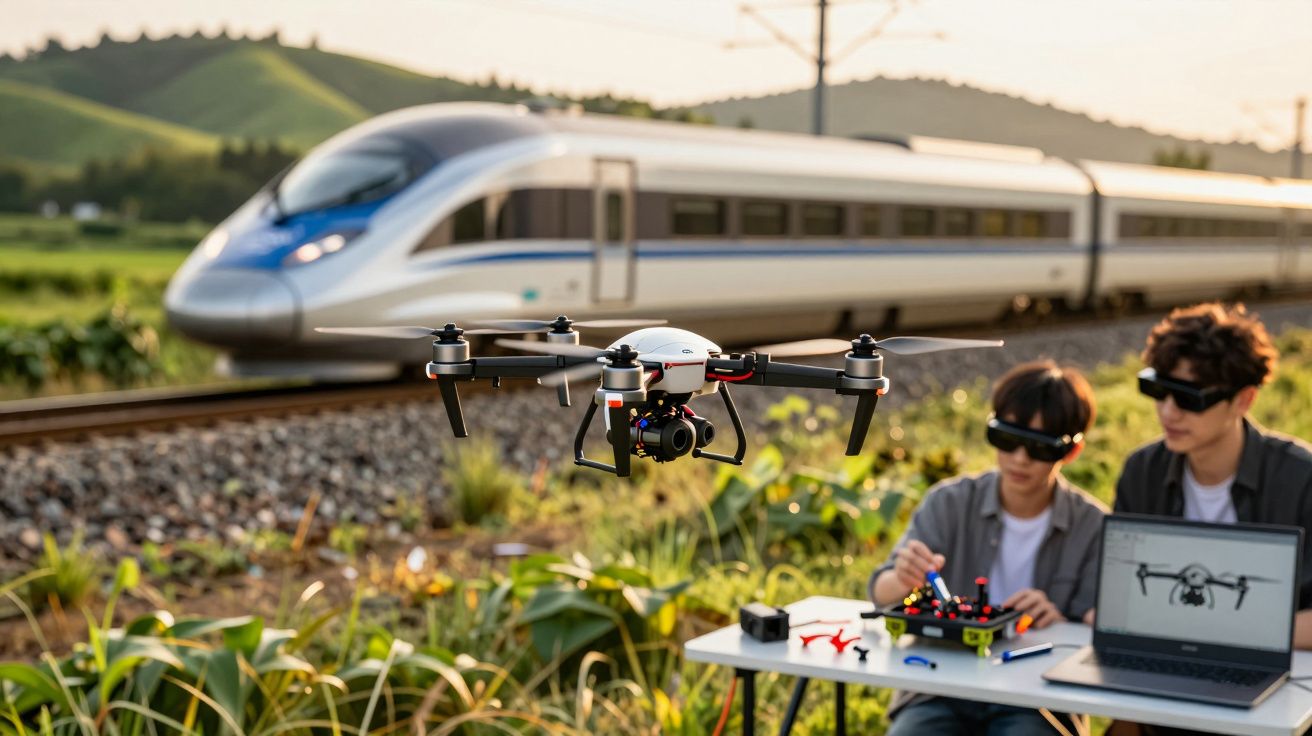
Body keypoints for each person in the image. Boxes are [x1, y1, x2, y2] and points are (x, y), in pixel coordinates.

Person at [1104, 303, 1312, 736]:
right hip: (1163, 675)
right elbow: (1122, 600)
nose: (1168, 411)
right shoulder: (1142, 470)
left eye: (1190, 397)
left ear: (1244, 398)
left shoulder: (1300, 477)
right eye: (1158, 390)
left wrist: (1216, 634)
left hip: (1281, 687)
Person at [870, 360, 1107, 736]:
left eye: (1039, 448)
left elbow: (1105, 634)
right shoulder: (949, 502)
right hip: (938, 685)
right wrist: (902, 578)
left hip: (1039, 696)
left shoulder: (1094, 526)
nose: (1019, 458)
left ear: (1072, 451)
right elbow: (880, 594)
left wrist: (1058, 623)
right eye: (1006, 438)